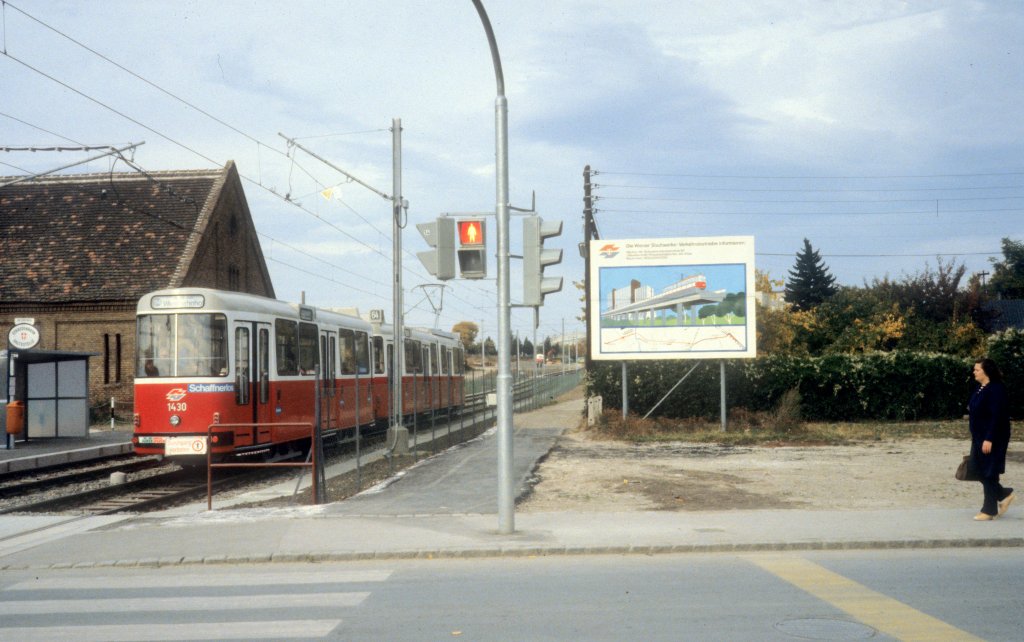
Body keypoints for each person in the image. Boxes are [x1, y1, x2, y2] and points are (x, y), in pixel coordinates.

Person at [968, 358, 1014, 521]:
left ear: (986, 371)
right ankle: (1003, 494)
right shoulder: (980, 388)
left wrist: (989, 438)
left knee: (989, 472)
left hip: (993, 437)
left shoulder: (996, 389)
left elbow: (998, 417)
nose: (974, 372)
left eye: (977, 370)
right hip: (980, 436)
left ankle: (989, 510)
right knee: (976, 469)